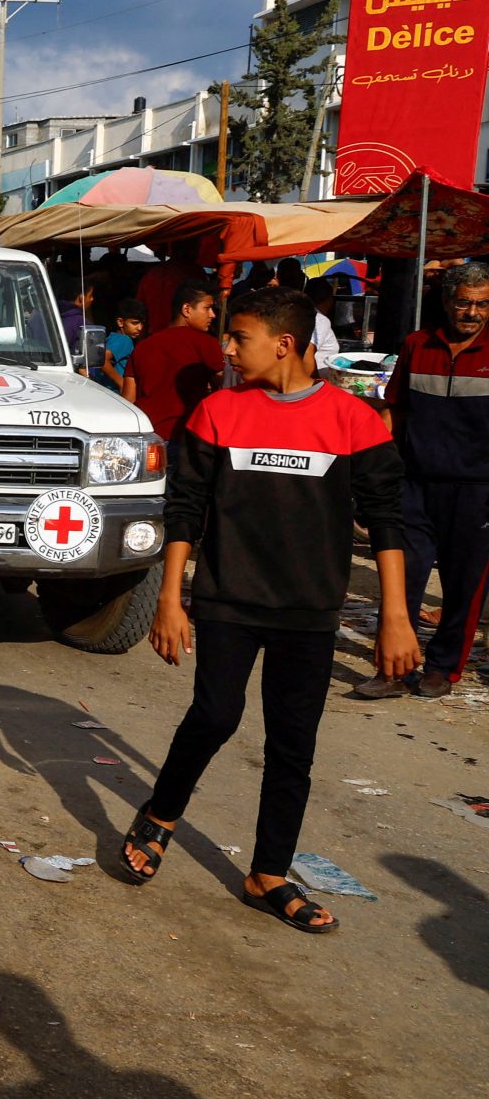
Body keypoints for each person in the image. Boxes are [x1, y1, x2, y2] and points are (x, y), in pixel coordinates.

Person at [120, 286, 415, 935]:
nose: (227, 348)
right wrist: (171, 597)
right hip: (228, 598)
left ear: (284, 343)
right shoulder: (215, 412)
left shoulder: (352, 420)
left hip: (307, 612)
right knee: (215, 714)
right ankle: (162, 814)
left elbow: (388, 524)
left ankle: (269, 874)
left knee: (293, 744)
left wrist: (394, 615)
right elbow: (185, 509)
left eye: (240, 337)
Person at [356, 258, 489, 699]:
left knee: (462, 584)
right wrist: (373, 468)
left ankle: (443, 667)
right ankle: (393, 669)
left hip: (477, 492)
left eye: (483, 305)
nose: (472, 313)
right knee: (403, 577)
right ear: (448, 302)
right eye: (465, 303)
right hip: (414, 484)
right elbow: (394, 410)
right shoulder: (417, 345)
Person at [125, 279, 223, 441]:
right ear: (186, 309)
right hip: (189, 437)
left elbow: (128, 400)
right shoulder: (207, 344)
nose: (212, 315)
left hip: (146, 436)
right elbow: (219, 392)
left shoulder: (143, 346)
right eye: (207, 308)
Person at [100, 298, 145, 395]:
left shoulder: (112, 337)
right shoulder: (125, 340)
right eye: (135, 323)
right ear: (120, 322)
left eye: (141, 323)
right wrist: (122, 383)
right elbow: (102, 360)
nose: (140, 328)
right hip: (116, 393)